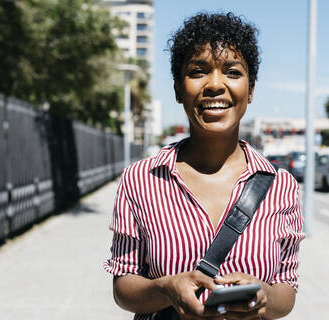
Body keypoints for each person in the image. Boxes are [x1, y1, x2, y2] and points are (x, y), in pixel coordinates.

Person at [104, 12, 305, 320]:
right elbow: (123, 287)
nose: (215, 85)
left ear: (250, 90)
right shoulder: (140, 179)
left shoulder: (281, 186)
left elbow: (286, 291)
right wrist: (166, 288)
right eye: (198, 72)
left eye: (232, 72)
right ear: (178, 89)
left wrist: (264, 297)